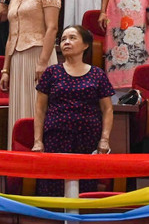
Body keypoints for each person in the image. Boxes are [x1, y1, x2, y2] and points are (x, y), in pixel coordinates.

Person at [33, 25, 115, 196]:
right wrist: (38, 141)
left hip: (87, 139)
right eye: (63, 39)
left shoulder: (97, 74)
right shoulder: (51, 72)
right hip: (56, 138)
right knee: (53, 185)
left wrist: (104, 139)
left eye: (72, 38)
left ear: (85, 45)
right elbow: (40, 110)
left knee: (85, 186)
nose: (66, 42)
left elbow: (107, 109)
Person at [0, 0, 60, 147]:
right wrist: (5, 69)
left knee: (38, 106)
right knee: (19, 106)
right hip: (17, 58)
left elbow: (52, 29)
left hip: (38, 55)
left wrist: (43, 63)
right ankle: (18, 155)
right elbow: (11, 36)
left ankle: (41, 153)